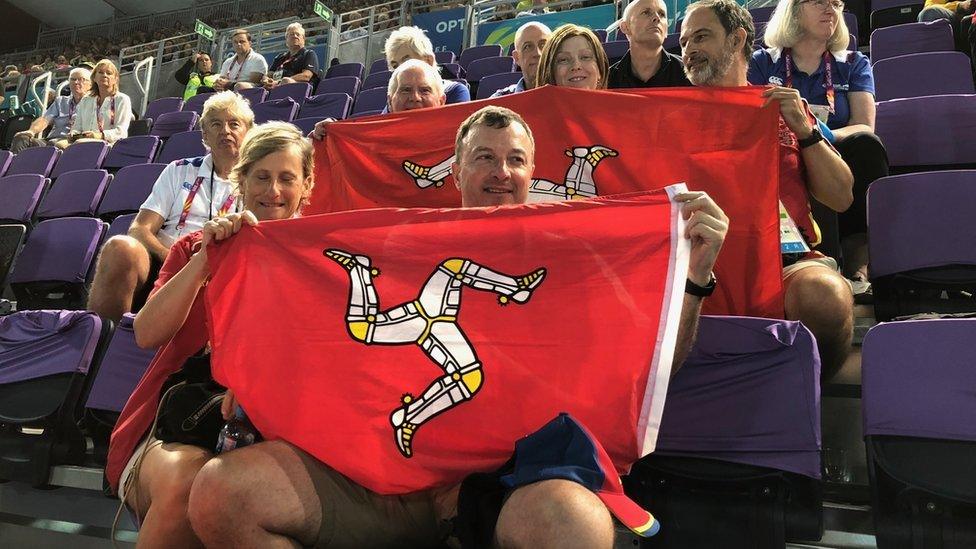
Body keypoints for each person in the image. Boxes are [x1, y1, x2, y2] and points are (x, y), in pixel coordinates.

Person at [185, 105, 728, 548]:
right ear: (457, 167)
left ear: (532, 172)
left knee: (570, 523)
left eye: (515, 160)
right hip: (376, 483)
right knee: (223, 493)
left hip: (507, 484)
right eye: (485, 158)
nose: (501, 172)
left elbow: (654, 367)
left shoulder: (580, 255)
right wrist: (242, 248)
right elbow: (316, 337)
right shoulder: (397, 243)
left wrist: (696, 275)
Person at [105, 122, 315, 548]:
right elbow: (146, 333)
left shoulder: (323, 261)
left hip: (281, 429)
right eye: (261, 176)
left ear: (306, 185)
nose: (273, 190)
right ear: (241, 179)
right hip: (181, 426)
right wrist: (205, 261)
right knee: (189, 483)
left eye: (287, 178)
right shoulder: (195, 248)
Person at [681, 0, 854, 379]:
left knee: (824, 297)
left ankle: (805, 402)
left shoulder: (786, 109)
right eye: (684, 42)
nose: (689, 49)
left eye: (702, 36)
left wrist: (806, 132)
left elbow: (841, 196)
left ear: (738, 38)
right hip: (696, 265)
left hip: (785, 262)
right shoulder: (669, 118)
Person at [749, 0, 888, 285]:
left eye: (836, 3)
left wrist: (817, 133)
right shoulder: (763, 61)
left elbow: (864, 125)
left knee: (867, 145)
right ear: (794, 10)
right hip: (781, 146)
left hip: (835, 148)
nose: (831, 9)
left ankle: (858, 259)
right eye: (820, 2)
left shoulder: (853, 63)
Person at [87, 91, 253, 322]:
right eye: (216, 124)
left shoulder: (258, 179)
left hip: (220, 268)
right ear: (204, 134)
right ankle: (102, 343)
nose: (225, 130)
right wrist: (172, 257)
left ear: (249, 132)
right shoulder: (179, 169)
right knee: (120, 247)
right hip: (165, 259)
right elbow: (140, 229)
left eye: (234, 124)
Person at [308, 59, 447, 141]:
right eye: (406, 90)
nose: (415, 98)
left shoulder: (462, 143)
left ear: (441, 101)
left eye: (425, 90)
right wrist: (322, 138)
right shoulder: (366, 143)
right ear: (390, 102)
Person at [609, 0, 692, 88]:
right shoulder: (608, 79)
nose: (657, 18)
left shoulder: (689, 71)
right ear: (625, 27)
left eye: (662, 14)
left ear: (666, 30)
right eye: (646, 12)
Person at [51, 59, 131, 149]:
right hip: (82, 141)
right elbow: (77, 126)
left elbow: (121, 132)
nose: (104, 75)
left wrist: (99, 135)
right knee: (59, 145)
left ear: (115, 79)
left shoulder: (122, 99)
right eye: (100, 72)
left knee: (78, 143)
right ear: (94, 78)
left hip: (110, 144)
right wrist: (74, 134)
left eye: (109, 73)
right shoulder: (86, 100)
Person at [10, 67, 91, 153]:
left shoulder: (93, 102)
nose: (76, 82)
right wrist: (31, 131)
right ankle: (16, 166)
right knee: (21, 138)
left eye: (81, 80)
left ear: (90, 84)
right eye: (73, 79)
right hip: (51, 140)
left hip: (72, 141)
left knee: (57, 145)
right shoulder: (61, 101)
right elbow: (44, 120)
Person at [384, 25, 470, 104]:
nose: (400, 69)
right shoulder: (394, 100)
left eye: (407, 61)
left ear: (428, 61)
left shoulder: (454, 91)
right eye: (395, 66)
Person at [536, 24, 610, 90]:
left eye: (585, 57)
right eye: (564, 60)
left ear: (599, 70)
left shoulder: (618, 104)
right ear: (549, 72)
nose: (576, 66)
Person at [491, 22, 552, 97]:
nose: (537, 53)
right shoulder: (498, 101)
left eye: (543, 45)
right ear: (517, 58)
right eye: (528, 47)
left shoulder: (568, 95)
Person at [263, 22, 320, 91]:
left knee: (286, 81)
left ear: (303, 39)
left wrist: (279, 82)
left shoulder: (309, 54)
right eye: (291, 34)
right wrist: (266, 80)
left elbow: (306, 76)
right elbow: (269, 74)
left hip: (298, 90)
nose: (295, 36)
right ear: (286, 39)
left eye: (298, 34)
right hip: (275, 87)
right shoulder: (280, 57)